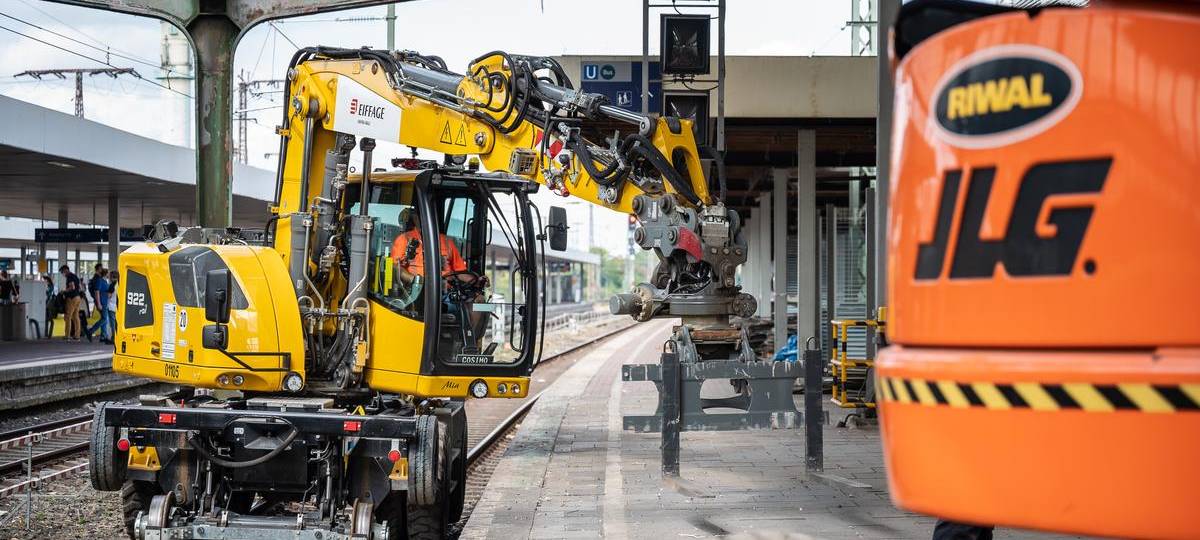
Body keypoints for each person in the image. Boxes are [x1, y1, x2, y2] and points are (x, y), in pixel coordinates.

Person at [87, 268, 112, 344]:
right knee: (104, 319)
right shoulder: (99, 281)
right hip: (101, 302)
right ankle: (91, 331)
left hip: (105, 302)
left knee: (104, 319)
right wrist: (98, 303)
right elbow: (96, 292)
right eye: (108, 273)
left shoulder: (105, 281)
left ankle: (103, 336)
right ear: (105, 274)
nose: (109, 275)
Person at [59, 264, 83, 341]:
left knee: (68, 317)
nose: (63, 274)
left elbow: (72, 287)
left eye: (62, 272)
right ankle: (77, 335)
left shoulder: (69, 276)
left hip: (72, 298)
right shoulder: (75, 276)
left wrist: (64, 291)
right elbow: (80, 287)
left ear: (65, 270)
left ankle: (67, 336)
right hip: (78, 297)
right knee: (76, 317)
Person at [105, 273, 118, 344]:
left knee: (112, 324)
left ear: (111, 277)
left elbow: (109, 296)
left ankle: (113, 338)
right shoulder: (120, 284)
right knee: (116, 323)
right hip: (118, 306)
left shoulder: (112, 285)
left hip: (111, 306)